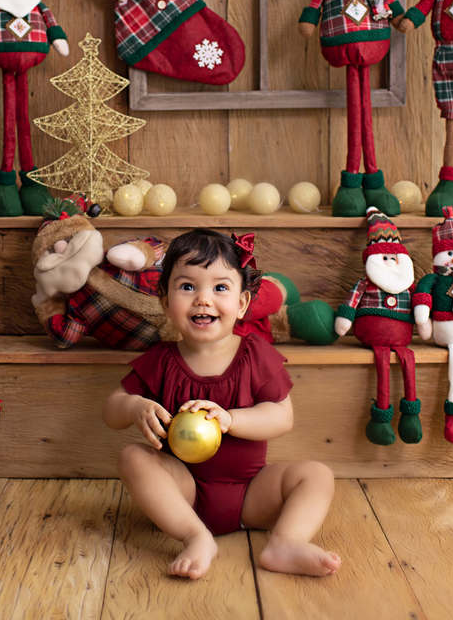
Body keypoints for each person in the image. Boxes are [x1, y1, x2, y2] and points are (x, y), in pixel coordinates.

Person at [103, 229, 340, 580]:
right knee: (133, 457)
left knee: (317, 475)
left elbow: (281, 417)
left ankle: (285, 543)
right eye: (187, 287)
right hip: (185, 493)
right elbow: (112, 409)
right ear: (165, 301)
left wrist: (230, 419)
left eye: (220, 288)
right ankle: (195, 536)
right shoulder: (162, 360)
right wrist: (136, 407)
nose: (203, 299)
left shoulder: (255, 354)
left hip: (251, 492)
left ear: (242, 303)